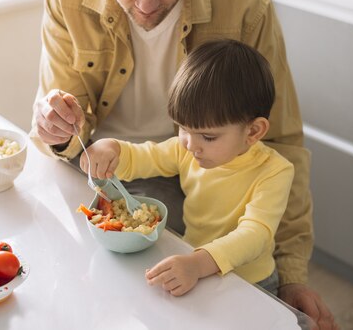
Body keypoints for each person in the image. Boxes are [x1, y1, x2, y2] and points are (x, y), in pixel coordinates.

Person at [30, 0, 338, 329]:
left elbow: (282, 145)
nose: (146, 3)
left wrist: (291, 274)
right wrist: (57, 130)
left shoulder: (245, 4)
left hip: (197, 174)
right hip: (104, 165)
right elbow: (63, 130)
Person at [81, 39, 295, 298]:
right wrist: (112, 148)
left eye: (208, 137)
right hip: (194, 265)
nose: (191, 145)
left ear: (253, 131)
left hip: (252, 282)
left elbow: (255, 234)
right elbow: (145, 156)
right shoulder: (188, 148)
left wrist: (198, 263)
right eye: (182, 128)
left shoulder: (274, 171)